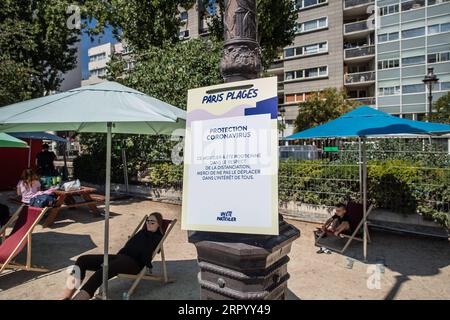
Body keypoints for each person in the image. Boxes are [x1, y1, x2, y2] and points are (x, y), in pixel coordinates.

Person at [61, 212, 165, 300]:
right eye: (147, 221)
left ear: (158, 225)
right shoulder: (141, 233)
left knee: (102, 271)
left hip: (134, 264)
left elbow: (146, 257)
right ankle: (65, 298)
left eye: (152, 222)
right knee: (82, 260)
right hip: (120, 257)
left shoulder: (156, 238)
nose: (148, 224)